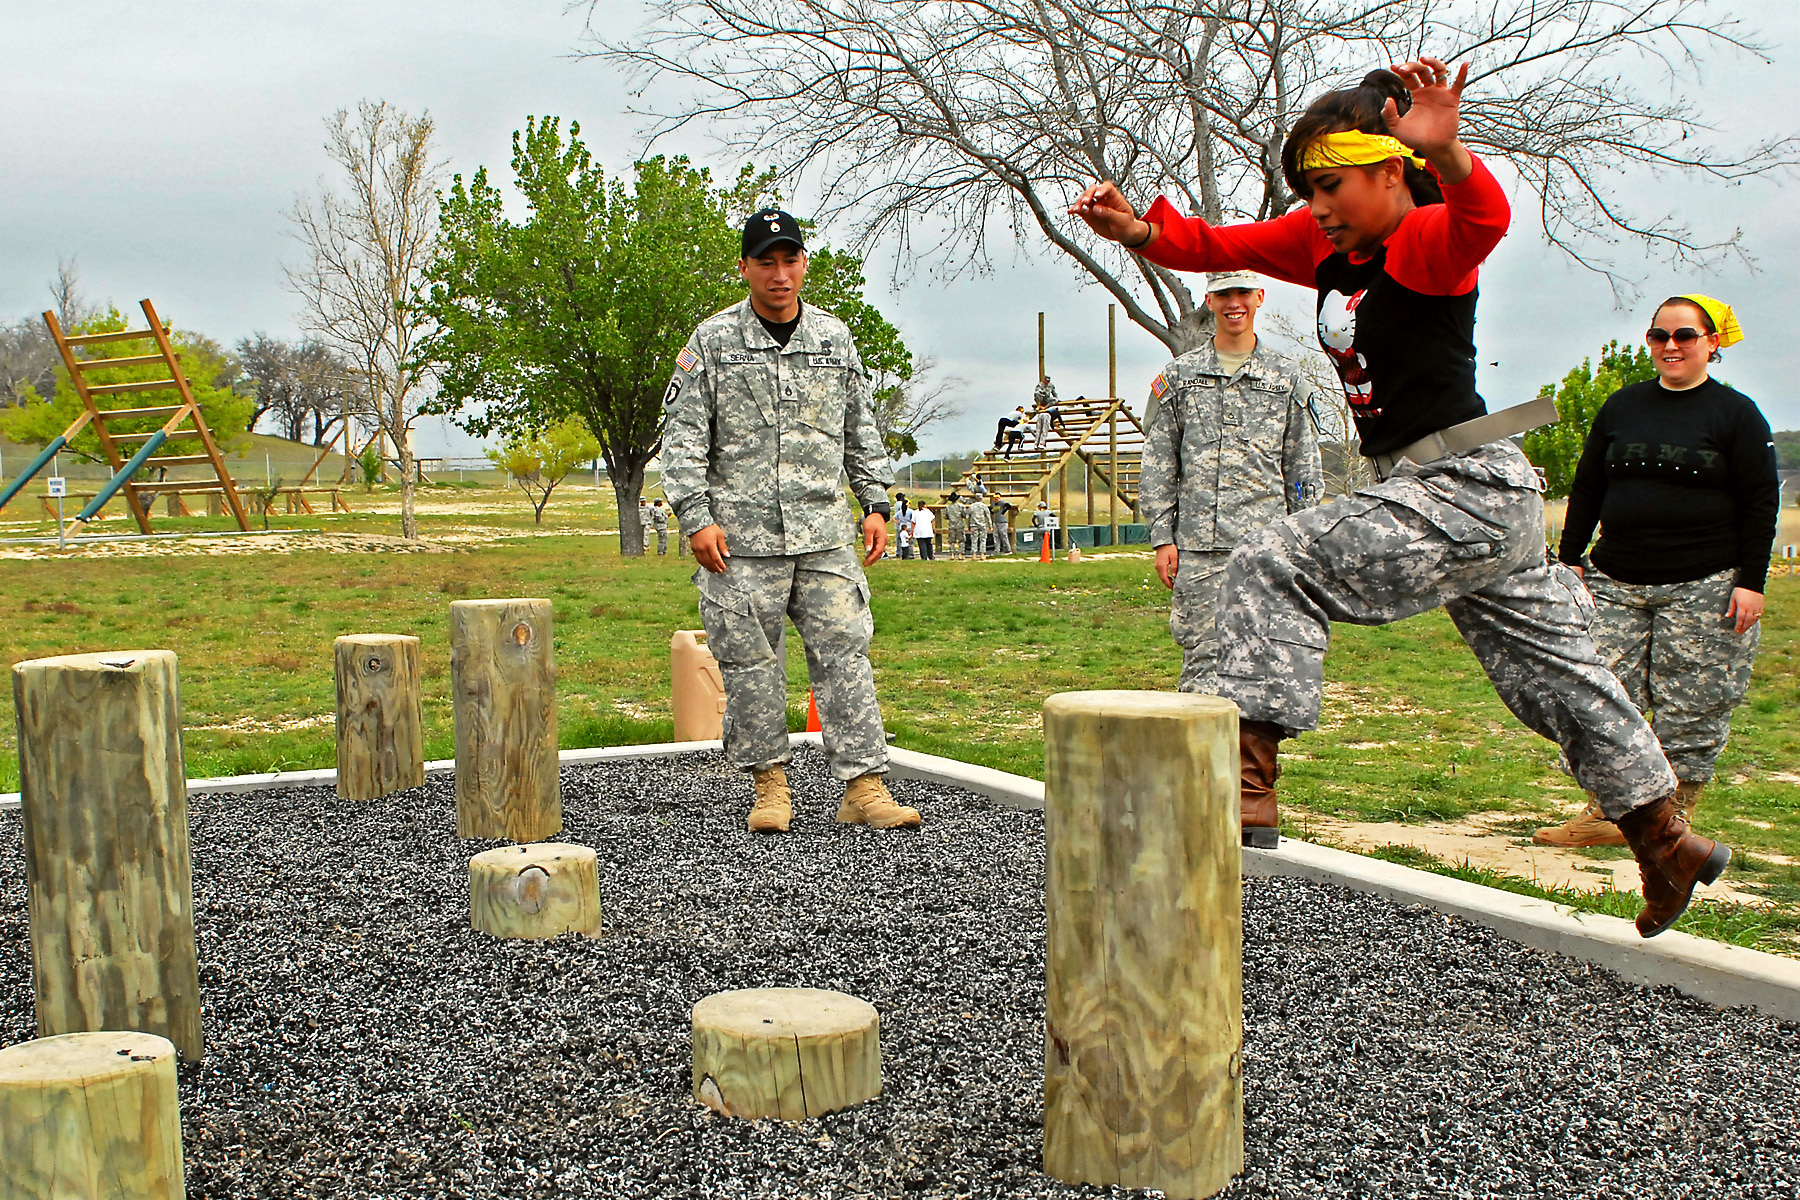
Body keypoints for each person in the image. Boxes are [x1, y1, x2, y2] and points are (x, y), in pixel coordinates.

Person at [1069, 57, 1730, 936]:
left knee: (1274, 555)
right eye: (1307, 190)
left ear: (1390, 171)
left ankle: (1250, 785)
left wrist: (1449, 150)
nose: (1318, 208)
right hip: (1470, 495)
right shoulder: (1319, 243)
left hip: (1461, 484)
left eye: (1332, 185)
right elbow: (1215, 245)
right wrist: (1136, 231)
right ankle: (1667, 843)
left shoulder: (1425, 243)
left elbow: (1482, 219)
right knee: (1555, 680)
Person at [661, 207, 922, 834]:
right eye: (765, 262)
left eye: (789, 260)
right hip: (740, 541)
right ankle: (770, 785)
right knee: (751, 663)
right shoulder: (712, 342)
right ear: (745, 268)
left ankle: (863, 785)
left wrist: (877, 502)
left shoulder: (835, 339)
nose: (779, 274)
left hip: (824, 533)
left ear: (804, 264)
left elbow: (860, 428)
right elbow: (684, 437)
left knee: (845, 654)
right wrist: (696, 517)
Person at [1535, 295, 1778, 847]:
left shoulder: (1737, 415)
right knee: (1601, 695)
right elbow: (1590, 486)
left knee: (1691, 702)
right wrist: (1570, 559)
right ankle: (1606, 814)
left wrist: (1752, 582)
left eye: (1685, 336)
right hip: (1616, 578)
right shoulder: (1623, 407)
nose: (1671, 346)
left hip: (1707, 582)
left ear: (1712, 344)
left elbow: (1763, 501)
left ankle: (1672, 825)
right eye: (1659, 335)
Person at [1142, 270, 1324, 697]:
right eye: (1224, 294)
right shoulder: (1180, 378)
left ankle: (1253, 764)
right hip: (1198, 549)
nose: (1234, 303)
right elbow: (1159, 466)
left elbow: (1302, 468)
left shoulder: (1286, 378)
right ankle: (1200, 763)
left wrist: (1303, 541)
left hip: (1266, 546)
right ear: (1210, 300)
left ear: (1260, 297)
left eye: (1243, 292)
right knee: (1203, 663)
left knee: (1266, 660)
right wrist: (1162, 538)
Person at [967, 491, 992, 561]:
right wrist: (990, 525)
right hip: (982, 524)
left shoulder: (971, 506)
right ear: (981, 498)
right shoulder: (984, 506)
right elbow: (988, 516)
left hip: (973, 525)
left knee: (974, 539)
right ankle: (982, 554)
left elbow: (967, 517)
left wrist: (968, 525)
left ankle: (974, 554)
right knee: (983, 539)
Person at [944, 492, 967, 560]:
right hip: (960, 525)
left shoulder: (948, 507)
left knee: (951, 541)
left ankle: (952, 554)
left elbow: (945, 516)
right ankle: (960, 554)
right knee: (961, 540)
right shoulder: (961, 506)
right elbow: (964, 515)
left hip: (951, 525)